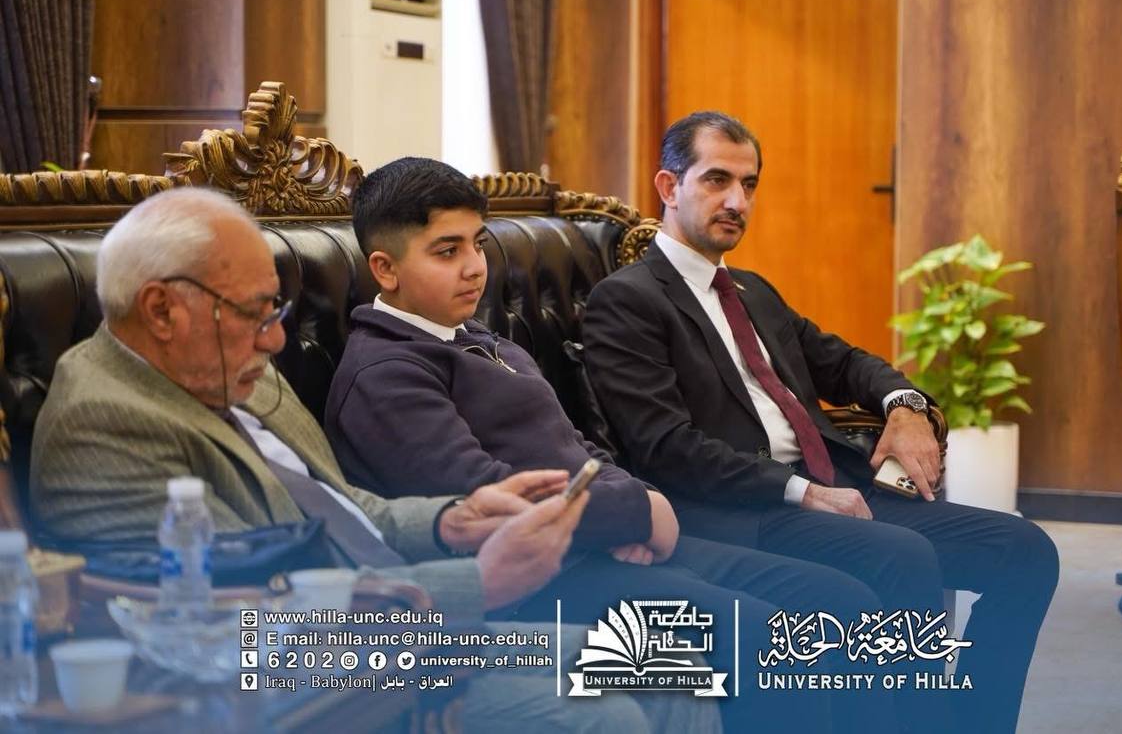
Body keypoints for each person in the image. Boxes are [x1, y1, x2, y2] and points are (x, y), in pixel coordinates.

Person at [29, 187, 717, 734]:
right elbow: (230, 622)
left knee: (668, 666)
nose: (275, 339)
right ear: (161, 310)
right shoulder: (106, 424)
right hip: (324, 676)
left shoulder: (226, 361)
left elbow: (341, 507)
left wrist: (451, 520)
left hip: (399, 618)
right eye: (255, 312)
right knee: (603, 710)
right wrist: (477, 582)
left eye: (275, 310)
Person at [324, 157, 904, 733]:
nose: (475, 267)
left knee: (837, 601)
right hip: (536, 585)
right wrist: (635, 513)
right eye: (447, 252)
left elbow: (577, 446)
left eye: (477, 244)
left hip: (604, 542)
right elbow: (486, 497)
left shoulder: (481, 338)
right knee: (762, 636)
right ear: (386, 268)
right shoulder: (385, 374)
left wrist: (641, 501)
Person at [582, 110, 1060, 734]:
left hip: (837, 487)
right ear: (669, 187)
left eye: (749, 185)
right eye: (717, 180)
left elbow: (845, 363)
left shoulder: (752, 291)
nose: (737, 201)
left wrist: (906, 406)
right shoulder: (628, 300)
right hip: (743, 509)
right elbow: (665, 446)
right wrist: (802, 492)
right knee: (901, 556)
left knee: (1025, 552)